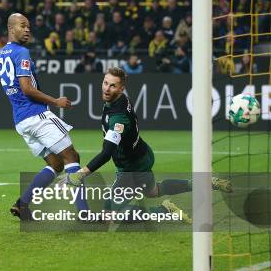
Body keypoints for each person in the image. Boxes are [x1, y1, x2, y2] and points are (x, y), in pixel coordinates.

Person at [0, 13, 88, 219]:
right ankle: (84, 213)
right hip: (36, 115)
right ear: (11, 29)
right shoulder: (22, 52)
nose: (27, 29)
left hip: (21, 122)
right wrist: (56, 101)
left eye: (29, 26)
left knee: (56, 164)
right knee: (72, 156)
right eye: (23, 26)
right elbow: (27, 88)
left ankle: (22, 204)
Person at [63, 67, 232, 220]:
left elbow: (107, 152)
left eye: (112, 86)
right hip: (142, 154)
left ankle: (164, 211)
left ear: (121, 89)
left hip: (131, 166)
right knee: (153, 191)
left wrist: (81, 173)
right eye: (105, 83)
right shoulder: (118, 100)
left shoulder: (118, 118)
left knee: (109, 213)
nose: (107, 88)